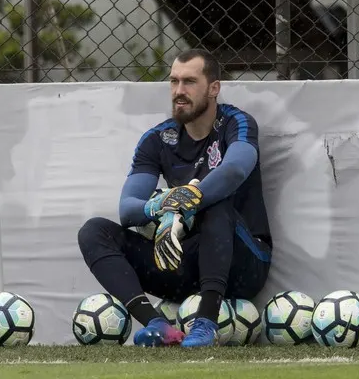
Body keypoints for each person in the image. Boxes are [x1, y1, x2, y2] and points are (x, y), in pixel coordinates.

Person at [77, 48, 272, 347]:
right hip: (186, 259)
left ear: (214, 88)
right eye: (174, 81)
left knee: (215, 205)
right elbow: (128, 210)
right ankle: (157, 324)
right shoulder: (157, 139)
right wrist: (159, 206)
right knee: (94, 231)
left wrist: (187, 201)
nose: (179, 91)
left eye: (190, 82)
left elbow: (235, 169)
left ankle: (205, 324)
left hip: (244, 260)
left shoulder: (237, 122)